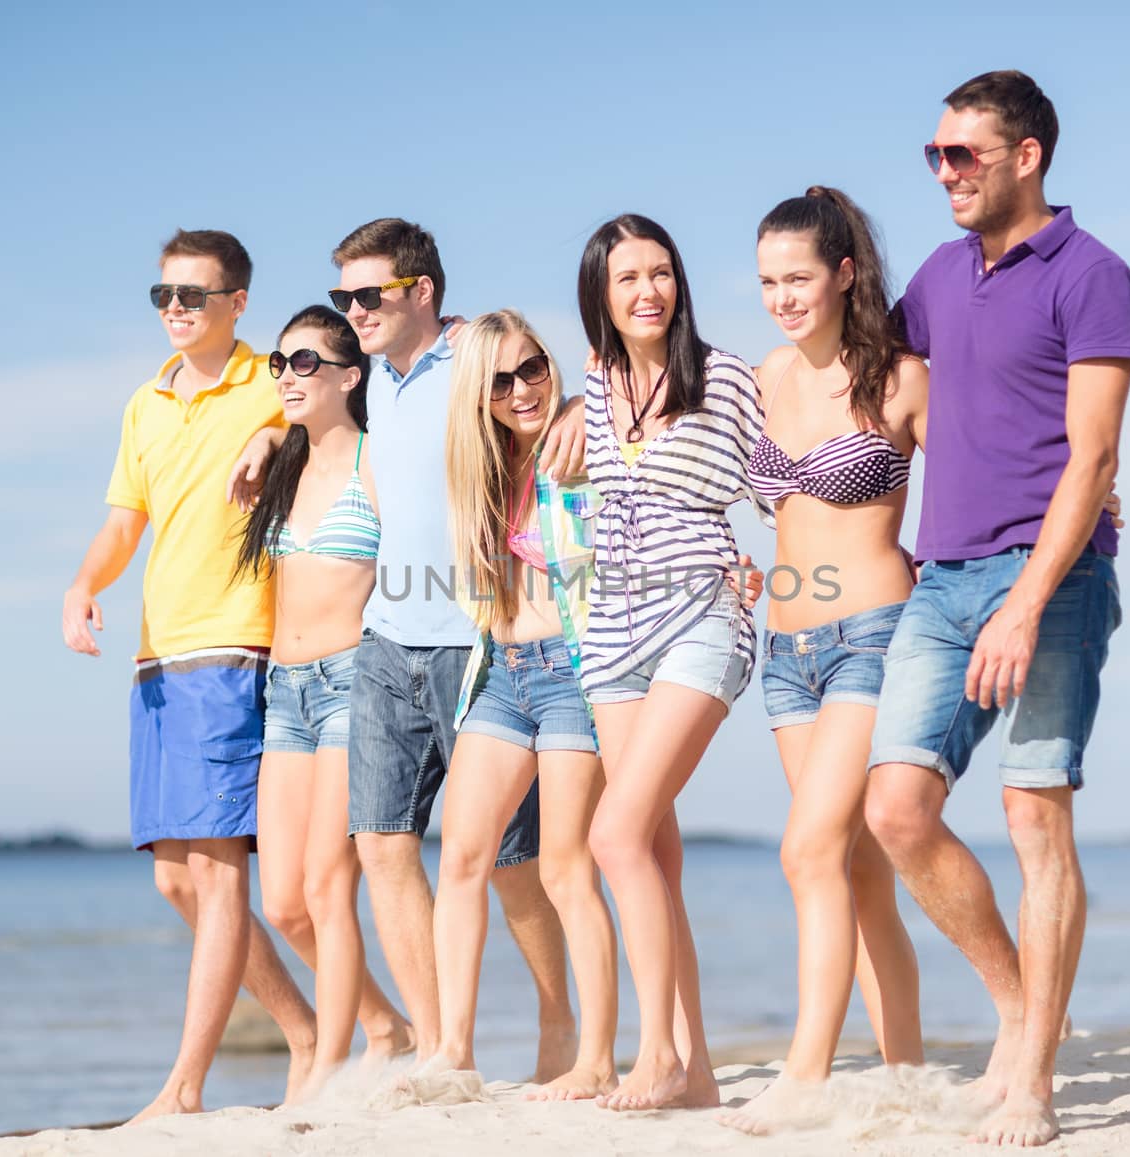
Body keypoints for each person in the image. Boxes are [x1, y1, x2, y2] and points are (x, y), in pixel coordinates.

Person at [863, 70, 1130, 1148]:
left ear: (1024, 155)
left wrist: (1027, 601)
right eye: (935, 155)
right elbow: (871, 367)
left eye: (962, 154)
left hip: (1050, 578)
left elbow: (1096, 453)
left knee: (1034, 816)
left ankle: (1029, 1075)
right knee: (894, 809)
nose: (944, 172)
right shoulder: (940, 275)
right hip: (941, 578)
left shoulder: (1094, 276)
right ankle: (1025, 1004)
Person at [231, 219, 589, 1080]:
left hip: (478, 640)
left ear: (421, 291)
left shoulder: (471, 355)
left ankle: (557, 1022)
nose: (352, 310)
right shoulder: (375, 378)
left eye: (369, 295)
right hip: (387, 642)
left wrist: (578, 405)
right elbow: (307, 409)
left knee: (510, 861)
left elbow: (545, 380)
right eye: (345, 296)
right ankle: (438, 1049)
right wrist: (264, 433)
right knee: (382, 845)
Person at [60, 229, 318, 1120]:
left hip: (235, 644)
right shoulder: (144, 403)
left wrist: (276, 431)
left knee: (217, 876)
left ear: (235, 303)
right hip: (156, 659)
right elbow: (125, 522)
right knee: (175, 881)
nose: (176, 309)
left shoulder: (268, 378)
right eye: (164, 295)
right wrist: (83, 585)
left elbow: (336, 396)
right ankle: (319, 1028)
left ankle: (183, 1088)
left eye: (194, 296)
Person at [718, 187, 927, 1135]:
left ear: (846, 273)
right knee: (858, 869)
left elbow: (981, 477)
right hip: (787, 650)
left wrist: (1096, 501)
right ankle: (908, 1073)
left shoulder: (902, 378)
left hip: (873, 635)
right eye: (767, 281)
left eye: (798, 277)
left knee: (807, 852)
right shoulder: (762, 376)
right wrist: (733, 564)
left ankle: (806, 1075)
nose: (782, 297)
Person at [401, 309, 619, 1102]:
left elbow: (627, 376)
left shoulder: (583, 442)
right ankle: (451, 1051)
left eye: (532, 368)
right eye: (500, 380)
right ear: (479, 396)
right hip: (501, 672)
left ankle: (591, 1056)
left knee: (565, 867)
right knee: (463, 856)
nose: (521, 388)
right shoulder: (482, 470)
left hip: (575, 670)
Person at [576, 214, 764, 1111]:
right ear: (602, 297)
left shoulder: (724, 376)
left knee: (611, 834)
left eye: (661, 273)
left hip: (700, 613)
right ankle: (698, 1071)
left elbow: (786, 476)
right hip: (612, 627)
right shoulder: (595, 378)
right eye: (627, 279)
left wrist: (772, 563)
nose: (648, 290)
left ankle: (653, 1056)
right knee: (652, 847)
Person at [232, 305, 412, 1098]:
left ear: (350, 374)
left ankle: (328, 1075)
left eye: (305, 362)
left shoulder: (381, 462)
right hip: (285, 692)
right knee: (282, 902)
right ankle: (385, 1025)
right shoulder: (281, 467)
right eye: (279, 364)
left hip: (352, 681)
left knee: (327, 887)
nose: (286, 376)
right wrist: (265, 435)